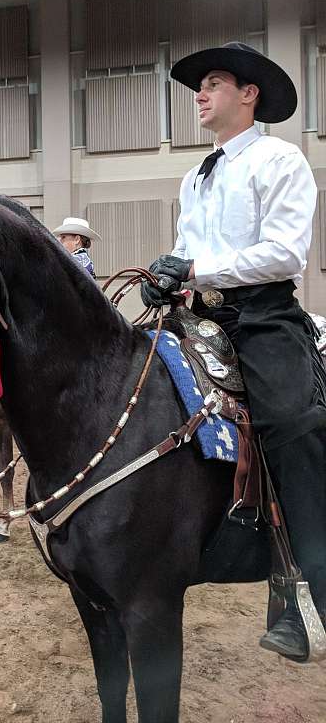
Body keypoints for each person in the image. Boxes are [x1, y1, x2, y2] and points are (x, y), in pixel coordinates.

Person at [140, 42, 326, 660]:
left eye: (213, 83)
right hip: (198, 314)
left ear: (249, 95)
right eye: (200, 86)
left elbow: (284, 254)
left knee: (292, 426)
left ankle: (309, 592)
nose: (200, 94)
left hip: (264, 315)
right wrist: (168, 274)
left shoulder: (282, 160)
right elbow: (186, 247)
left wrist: (197, 267)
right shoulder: (195, 174)